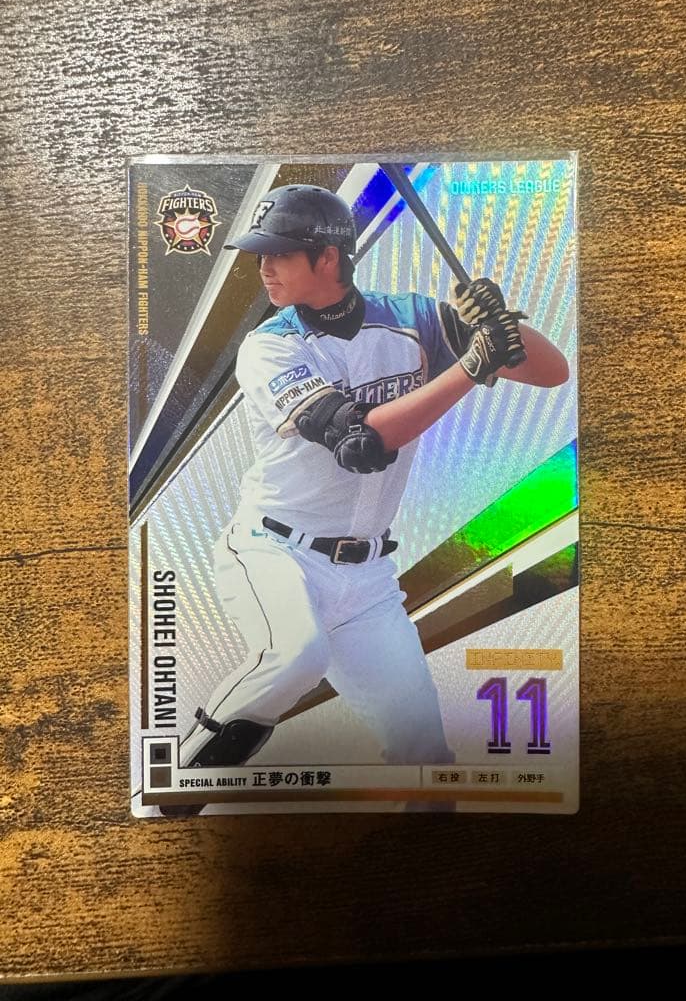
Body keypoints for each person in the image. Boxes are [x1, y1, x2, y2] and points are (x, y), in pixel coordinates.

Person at [166, 182, 569, 812]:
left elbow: (550, 371)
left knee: (426, 760)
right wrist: (471, 365)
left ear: (328, 257)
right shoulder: (270, 344)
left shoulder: (412, 317)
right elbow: (361, 444)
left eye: (279, 253)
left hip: (367, 580)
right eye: (261, 253)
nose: (264, 266)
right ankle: (183, 778)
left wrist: (497, 324)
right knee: (296, 656)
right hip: (274, 550)